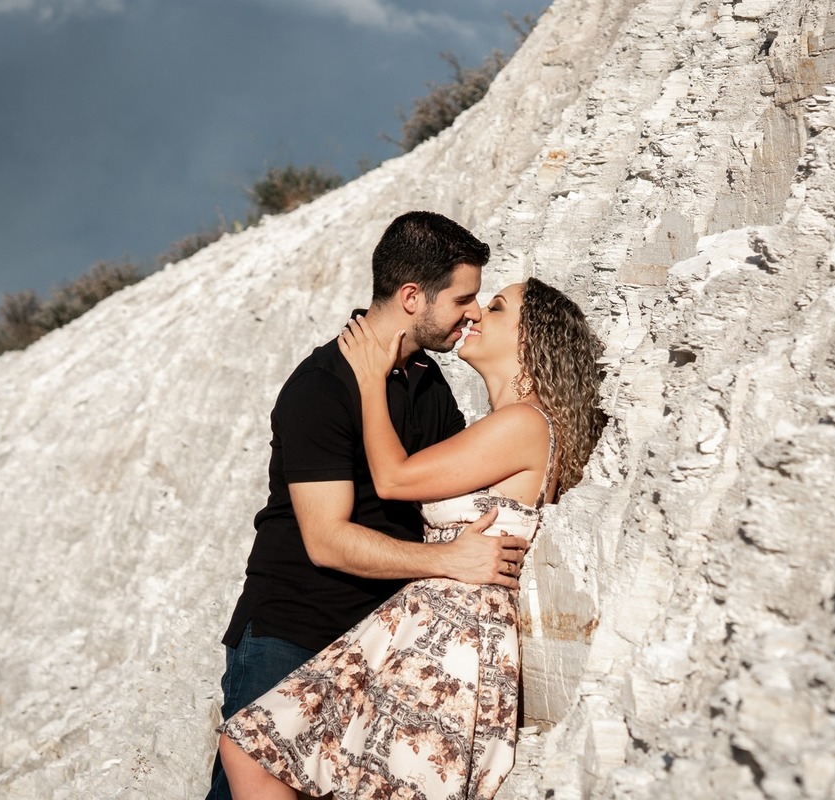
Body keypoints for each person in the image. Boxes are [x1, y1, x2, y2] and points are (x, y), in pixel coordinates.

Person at [218, 277, 604, 800]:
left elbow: (394, 479)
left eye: (495, 307)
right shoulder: (503, 423)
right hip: (427, 619)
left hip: (452, 630)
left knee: (261, 750)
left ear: (530, 339)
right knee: (253, 748)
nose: (475, 314)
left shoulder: (524, 423)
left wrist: (370, 380)